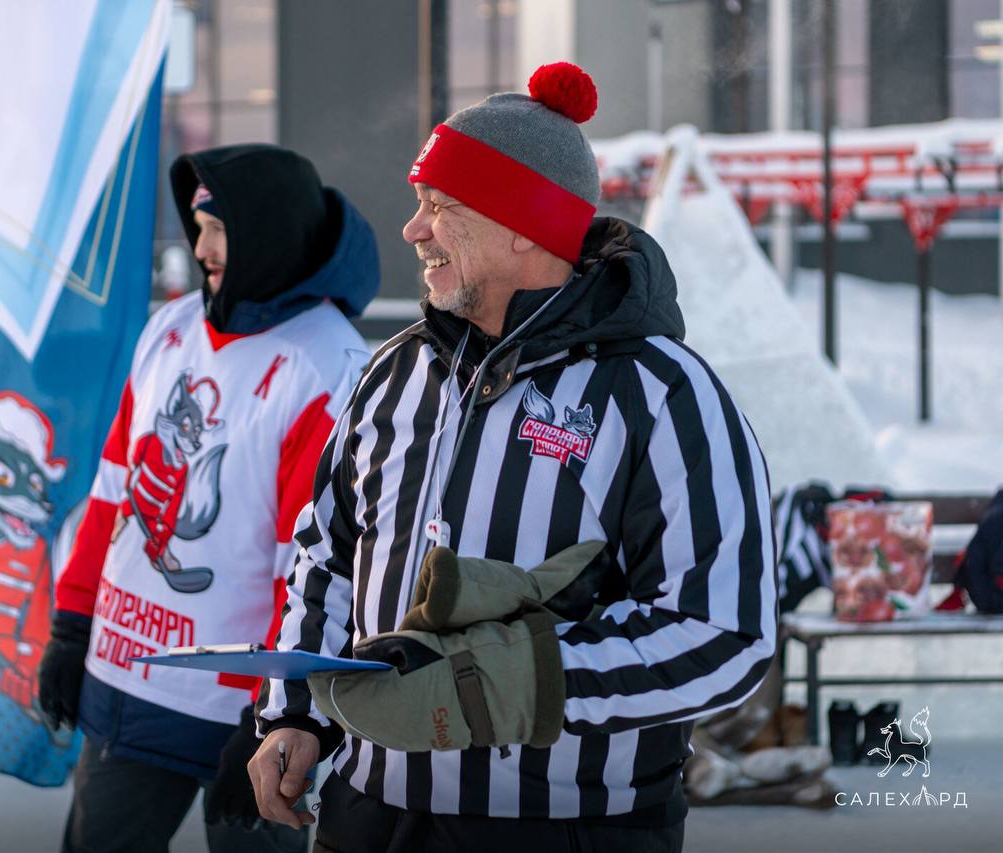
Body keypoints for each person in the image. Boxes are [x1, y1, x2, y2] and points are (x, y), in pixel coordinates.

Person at [247, 63, 777, 853]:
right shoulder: (395, 373)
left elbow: (724, 634)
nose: (413, 230)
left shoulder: (661, 393)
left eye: (440, 207)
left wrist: (503, 683)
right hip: (371, 819)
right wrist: (296, 714)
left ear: (523, 224)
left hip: (571, 829)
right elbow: (327, 556)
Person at [38, 143, 378, 853]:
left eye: (218, 229)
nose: (201, 249)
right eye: (197, 228)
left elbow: (314, 569)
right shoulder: (172, 328)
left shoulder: (325, 365)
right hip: (126, 680)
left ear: (266, 232)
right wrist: (72, 625)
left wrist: (276, 713)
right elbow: (112, 493)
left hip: (241, 713)